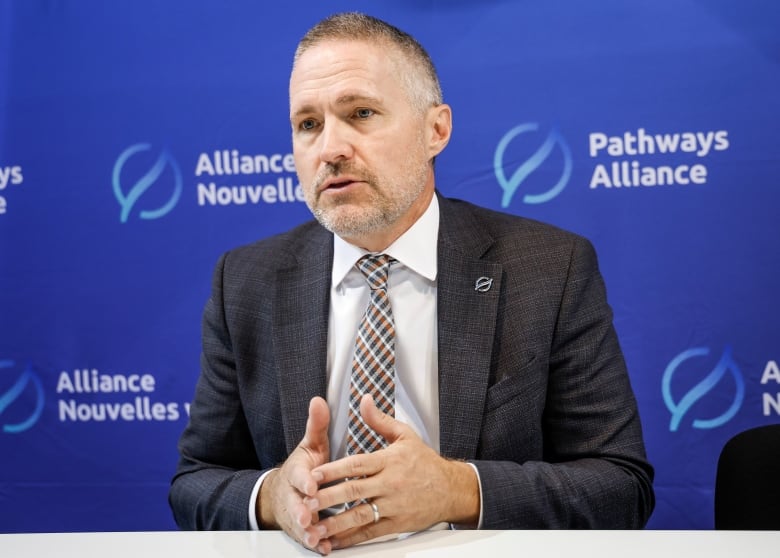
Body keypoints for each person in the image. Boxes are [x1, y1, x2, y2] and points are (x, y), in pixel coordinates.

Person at [169, 12, 654, 554]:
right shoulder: (246, 281)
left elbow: (621, 487)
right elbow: (194, 483)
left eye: (361, 113)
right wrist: (272, 496)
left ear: (435, 130)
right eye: (308, 124)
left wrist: (456, 490)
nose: (330, 148)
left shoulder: (549, 269)